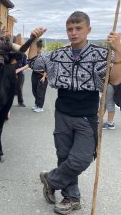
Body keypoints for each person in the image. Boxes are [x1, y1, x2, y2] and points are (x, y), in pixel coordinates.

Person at [27, 11, 121, 215]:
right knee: (64, 156)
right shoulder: (58, 54)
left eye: (78, 28)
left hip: (87, 116)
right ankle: (71, 198)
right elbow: (34, 63)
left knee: (82, 158)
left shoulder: (102, 54)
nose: (73, 33)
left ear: (89, 29)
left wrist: (119, 52)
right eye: (70, 29)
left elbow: (114, 79)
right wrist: (34, 39)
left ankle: (50, 179)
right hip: (62, 113)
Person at [31, 39, 48, 113]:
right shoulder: (35, 56)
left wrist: (44, 77)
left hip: (42, 75)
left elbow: (47, 67)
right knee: (34, 90)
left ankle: (40, 107)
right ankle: (37, 104)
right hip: (34, 74)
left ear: (38, 47)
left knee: (40, 92)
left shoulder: (44, 56)